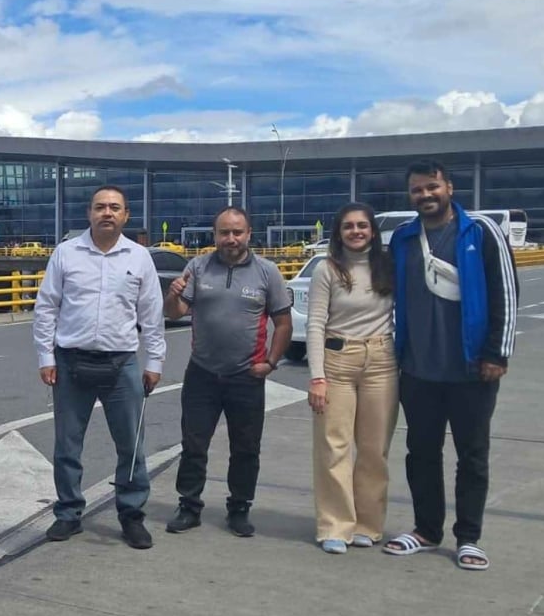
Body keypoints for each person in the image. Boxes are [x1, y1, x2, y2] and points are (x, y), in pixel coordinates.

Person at [384, 161, 517, 570]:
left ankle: (469, 537)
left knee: (472, 455)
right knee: (420, 453)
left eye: (432, 187)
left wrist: (497, 353)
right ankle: (426, 530)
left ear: (449, 188)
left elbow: (506, 293)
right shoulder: (403, 239)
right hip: (419, 371)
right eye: (417, 190)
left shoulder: (481, 231)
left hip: (471, 370)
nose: (425, 195)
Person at [33, 185, 165, 550]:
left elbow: (151, 315)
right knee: (67, 445)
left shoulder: (139, 258)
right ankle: (68, 513)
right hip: (70, 364)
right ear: (89, 213)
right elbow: (47, 307)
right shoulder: (66, 253)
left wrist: (154, 362)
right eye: (100, 207)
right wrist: (45, 357)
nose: (107, 213)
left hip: (120, 365)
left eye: (115, 208)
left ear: (126, 216)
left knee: (131, 446)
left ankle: (131, 514)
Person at [163, 206, 292, 538]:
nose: (230, 239)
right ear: (215, 234)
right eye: (224, 232)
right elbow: (176, 313)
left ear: (249, 234)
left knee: (246, 447)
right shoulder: (198, 267)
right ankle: (189, 506)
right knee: (193, 444)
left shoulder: (267, 272)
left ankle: (239, 508)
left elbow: (283, 323)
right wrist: (173, 296)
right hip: (202, 374)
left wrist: (271, 362)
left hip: (246, 376)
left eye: (237, 232)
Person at [306, 203, 398, 554]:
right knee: (335, 446)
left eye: (362, 226)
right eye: (348, 226)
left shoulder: (387, 266)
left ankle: (368, 524)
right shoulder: (327, 270)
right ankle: (335, 525)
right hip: (338, 362)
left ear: (373, 231)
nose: (356, 231)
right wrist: (317, 377)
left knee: (375, 449)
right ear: (338, 232)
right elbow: (315, 324)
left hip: (382, 362)